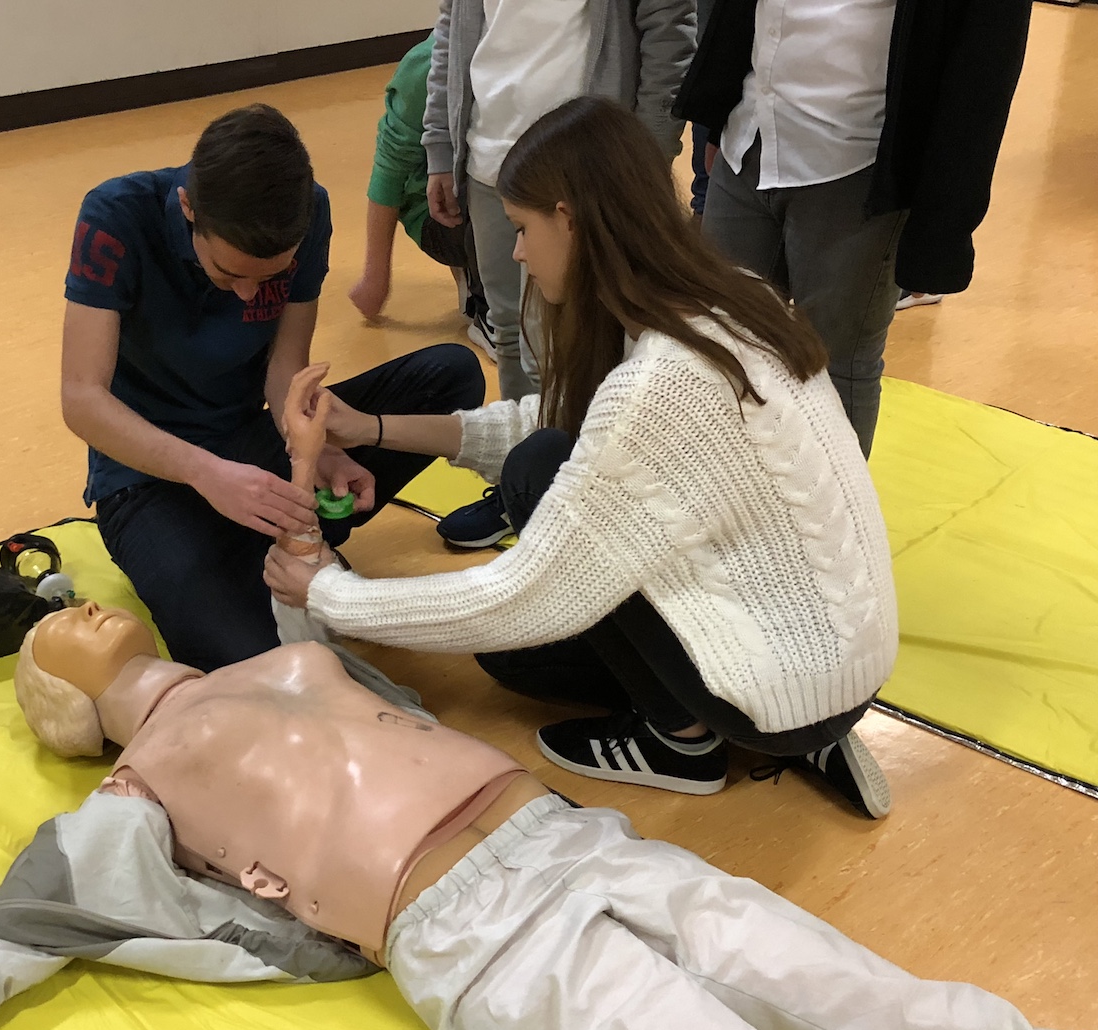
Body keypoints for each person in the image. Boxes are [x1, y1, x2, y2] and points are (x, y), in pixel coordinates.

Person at [0, 603, 1098, 1030]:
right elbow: (35, 911)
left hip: (566, 838)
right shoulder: (136, 789)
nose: (74, 612)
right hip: (471, 930)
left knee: (836, 984)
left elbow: (403, 709)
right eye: (56, 637)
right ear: (62, 709)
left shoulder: (281, 658)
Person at [265, 96, 898, 818]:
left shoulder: (660, 388)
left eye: (521, 228)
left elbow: (522, 595)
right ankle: (803, 728)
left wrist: (329, 595)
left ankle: (684, 743)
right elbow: (561, 423)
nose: (517, 253)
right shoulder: (731, 300)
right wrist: (372, 428)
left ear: (568, 219)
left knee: (522, 603)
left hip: (790, 694)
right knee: (536, 512)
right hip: (841, 659)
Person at [60, 103, 485, 673]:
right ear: (188, 208)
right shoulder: (116, 215)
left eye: (268, 277)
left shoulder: (309, 211)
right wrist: (207, 474)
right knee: (253, 665)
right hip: (145, 480)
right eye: (228, 273)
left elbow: (286, 370)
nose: (246, 294)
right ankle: (251, 547)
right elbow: (82, 399)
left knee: (451, 375)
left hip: (249, 442)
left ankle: (268, 542)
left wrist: (314, 451)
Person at [674, 0, 1032, 455]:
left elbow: (985, 69)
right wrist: (714, 113)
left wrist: (941, 225)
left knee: (834, 363)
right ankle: (728, 490)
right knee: (717, 343)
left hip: (859, 163)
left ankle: (833, 503)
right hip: (749, 135)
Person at [424, 0, 697, 549]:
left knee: (581, 343)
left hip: (584, 169)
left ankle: (590, 499)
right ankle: (521, 488)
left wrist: (640, 157)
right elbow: (452, 27)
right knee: (510, 333)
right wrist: (440, 143)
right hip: (487, 156)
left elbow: (670, 31)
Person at [349, 34, 493, 362]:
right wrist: (375, 278)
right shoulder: (428, 65)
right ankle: (488, 307)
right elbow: (389, 169)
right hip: (440, 212)